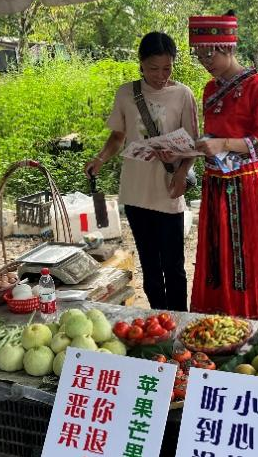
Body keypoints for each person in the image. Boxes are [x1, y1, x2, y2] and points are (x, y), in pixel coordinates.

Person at [85, 32, 198, 312]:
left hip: (169, 189)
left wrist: (183, 173)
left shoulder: (183, 95)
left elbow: (192, 145)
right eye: (153, 68)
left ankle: (179, 320)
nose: (160, 75)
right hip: (136, 192)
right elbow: (117, 137)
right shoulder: (126, 93)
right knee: (149, 263)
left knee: (173, 266)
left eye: (167, 68)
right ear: (141, 64)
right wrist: (100, 159)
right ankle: (160, 319)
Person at [188, 12, 258, 321]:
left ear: (228, 48)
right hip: (216, 183)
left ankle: (256, 322)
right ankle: (217, 323)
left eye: (210, 53)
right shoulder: (208, 89)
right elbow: (214, 134)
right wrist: (202, 145)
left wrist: (223, 144)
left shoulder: (256, 85)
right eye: (200, 54)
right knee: (217, 258)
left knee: (250, 255)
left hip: (246, 187)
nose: (206, 61)